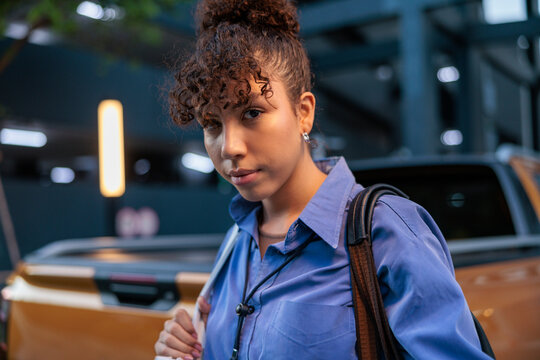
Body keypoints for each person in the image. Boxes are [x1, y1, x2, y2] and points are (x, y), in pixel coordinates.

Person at [155, 0, 491, 359]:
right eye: (212, 124)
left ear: (304, 113)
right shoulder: (237, 242)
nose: (230, 147)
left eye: (252, 112)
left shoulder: (385, 232)